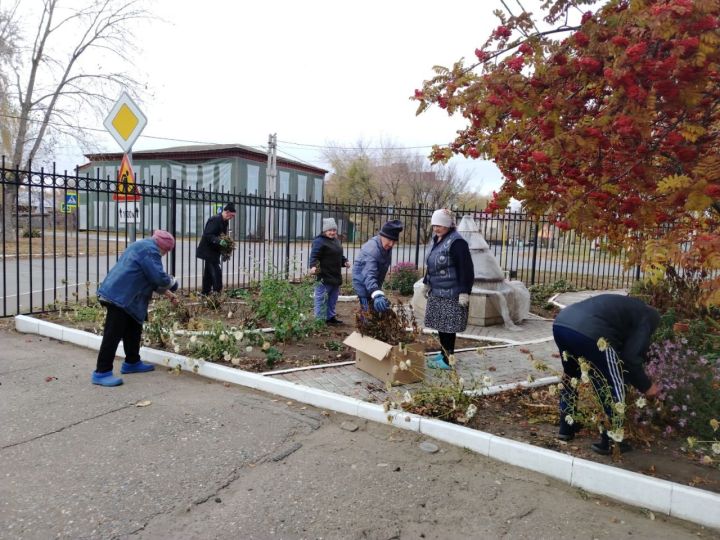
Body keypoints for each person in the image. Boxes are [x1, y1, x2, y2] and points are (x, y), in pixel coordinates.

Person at [552, 294, 661, 455]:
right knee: (612, 383)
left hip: (562, 324)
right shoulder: (647, 318)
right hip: (593, 333)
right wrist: (647, 386)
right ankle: (611, 440)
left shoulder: (626, 306)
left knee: (570, 376)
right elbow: (630, 358)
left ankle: (566, 427)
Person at [92, 230, 179, 387]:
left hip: (126, 296)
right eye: (166, 251)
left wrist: (168, 293)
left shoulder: (142, 246)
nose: (165, 254)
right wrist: (172, 283)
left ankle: (132, 362)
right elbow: (158, 277)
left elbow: (148, 277)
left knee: (134, 328)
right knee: (113, 334)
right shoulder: (150, 251)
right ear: (163, 246)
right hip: (119, 297)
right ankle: (101, 372)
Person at [421, 209, 474, 370]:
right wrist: (426, 282)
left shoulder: (457, 242)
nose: (436, 229)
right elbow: (432, 263)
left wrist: (465, 291)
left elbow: (466, 268)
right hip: (438, 291)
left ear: (449, 225)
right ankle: (443, 353)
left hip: (452, 294)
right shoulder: (438, 239)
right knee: (441, 325)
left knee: (449, 327)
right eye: (434, 225)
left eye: (440, 226)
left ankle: (448, 359)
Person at [352, 219, 404, 313]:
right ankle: (365, 325)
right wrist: (376, 293)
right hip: (363, 283)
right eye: (389, 240)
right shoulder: (372, 250)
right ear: (382, 236)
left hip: (373, 284)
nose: (391, 244)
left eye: (394, 241)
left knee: (376, 312)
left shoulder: (385, 246)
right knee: (367, 314)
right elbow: (369, 274)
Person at [309, 217, 350, 325]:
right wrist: (313, 266)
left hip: (335, 275)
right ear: (324, 230)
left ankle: (330, 317)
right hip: (324, 276)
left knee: (333, 298)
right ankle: (319, 320)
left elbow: (339, 255)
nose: (332, 232)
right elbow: (314, 256)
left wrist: (344, 261)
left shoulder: (335, 241)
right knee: (321, 298)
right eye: (330, 230)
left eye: (334, 230)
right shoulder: (319, 241)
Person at [196, 202, 236, 295]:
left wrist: (226, 249)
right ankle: (217, 291)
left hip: (214, 250)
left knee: (208, 272)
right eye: (232, 215)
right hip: (208, 250)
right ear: (227, 212)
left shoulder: (225, 221)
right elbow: (208, 235)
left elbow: (222, 235)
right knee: (215, 270)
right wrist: (219, 241)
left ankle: (205, 292)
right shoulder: (215, 219)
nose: (232, 218)